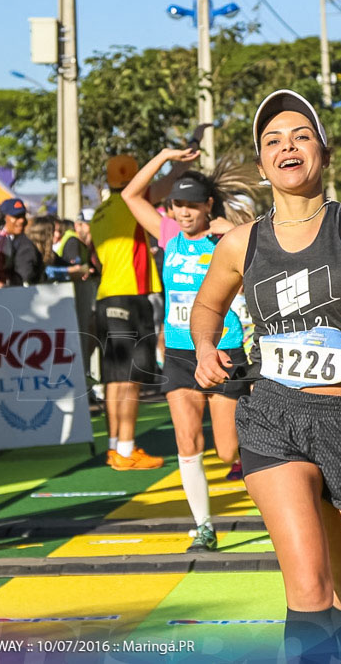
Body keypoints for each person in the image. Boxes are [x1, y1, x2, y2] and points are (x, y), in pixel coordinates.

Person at [191, 90, 341, 662]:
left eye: (300, 136)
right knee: (308, 589)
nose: (286, 146)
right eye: (272, 141)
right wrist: (204, 347)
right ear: (263, 165)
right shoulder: (241, 242)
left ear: (323, 151)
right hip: (273, 416)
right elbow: (207, 307)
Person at [122, 147, 253, 552]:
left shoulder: (226, 238)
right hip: (180, 354)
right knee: (187, 442)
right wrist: (163, 155)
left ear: (207, 206)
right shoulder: (167, 236)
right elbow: (130, 195)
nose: (183, 213)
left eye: (192, 206)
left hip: (224, 350)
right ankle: (204, 528)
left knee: (228, 449)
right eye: (177, 205)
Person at [91, 152, 194, 471]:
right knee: (131, 379)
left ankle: (115, 448)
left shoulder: (100, 211)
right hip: (130, 295)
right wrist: (182, 157)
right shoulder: (128, 201)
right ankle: (126, 449)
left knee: (114, 380)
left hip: (106, 296)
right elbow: (166, 182)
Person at [0, 198, 42, 286]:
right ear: (3, 218)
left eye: (23, 216)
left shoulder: (25, 242)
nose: (22, 220)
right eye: (16, 216)